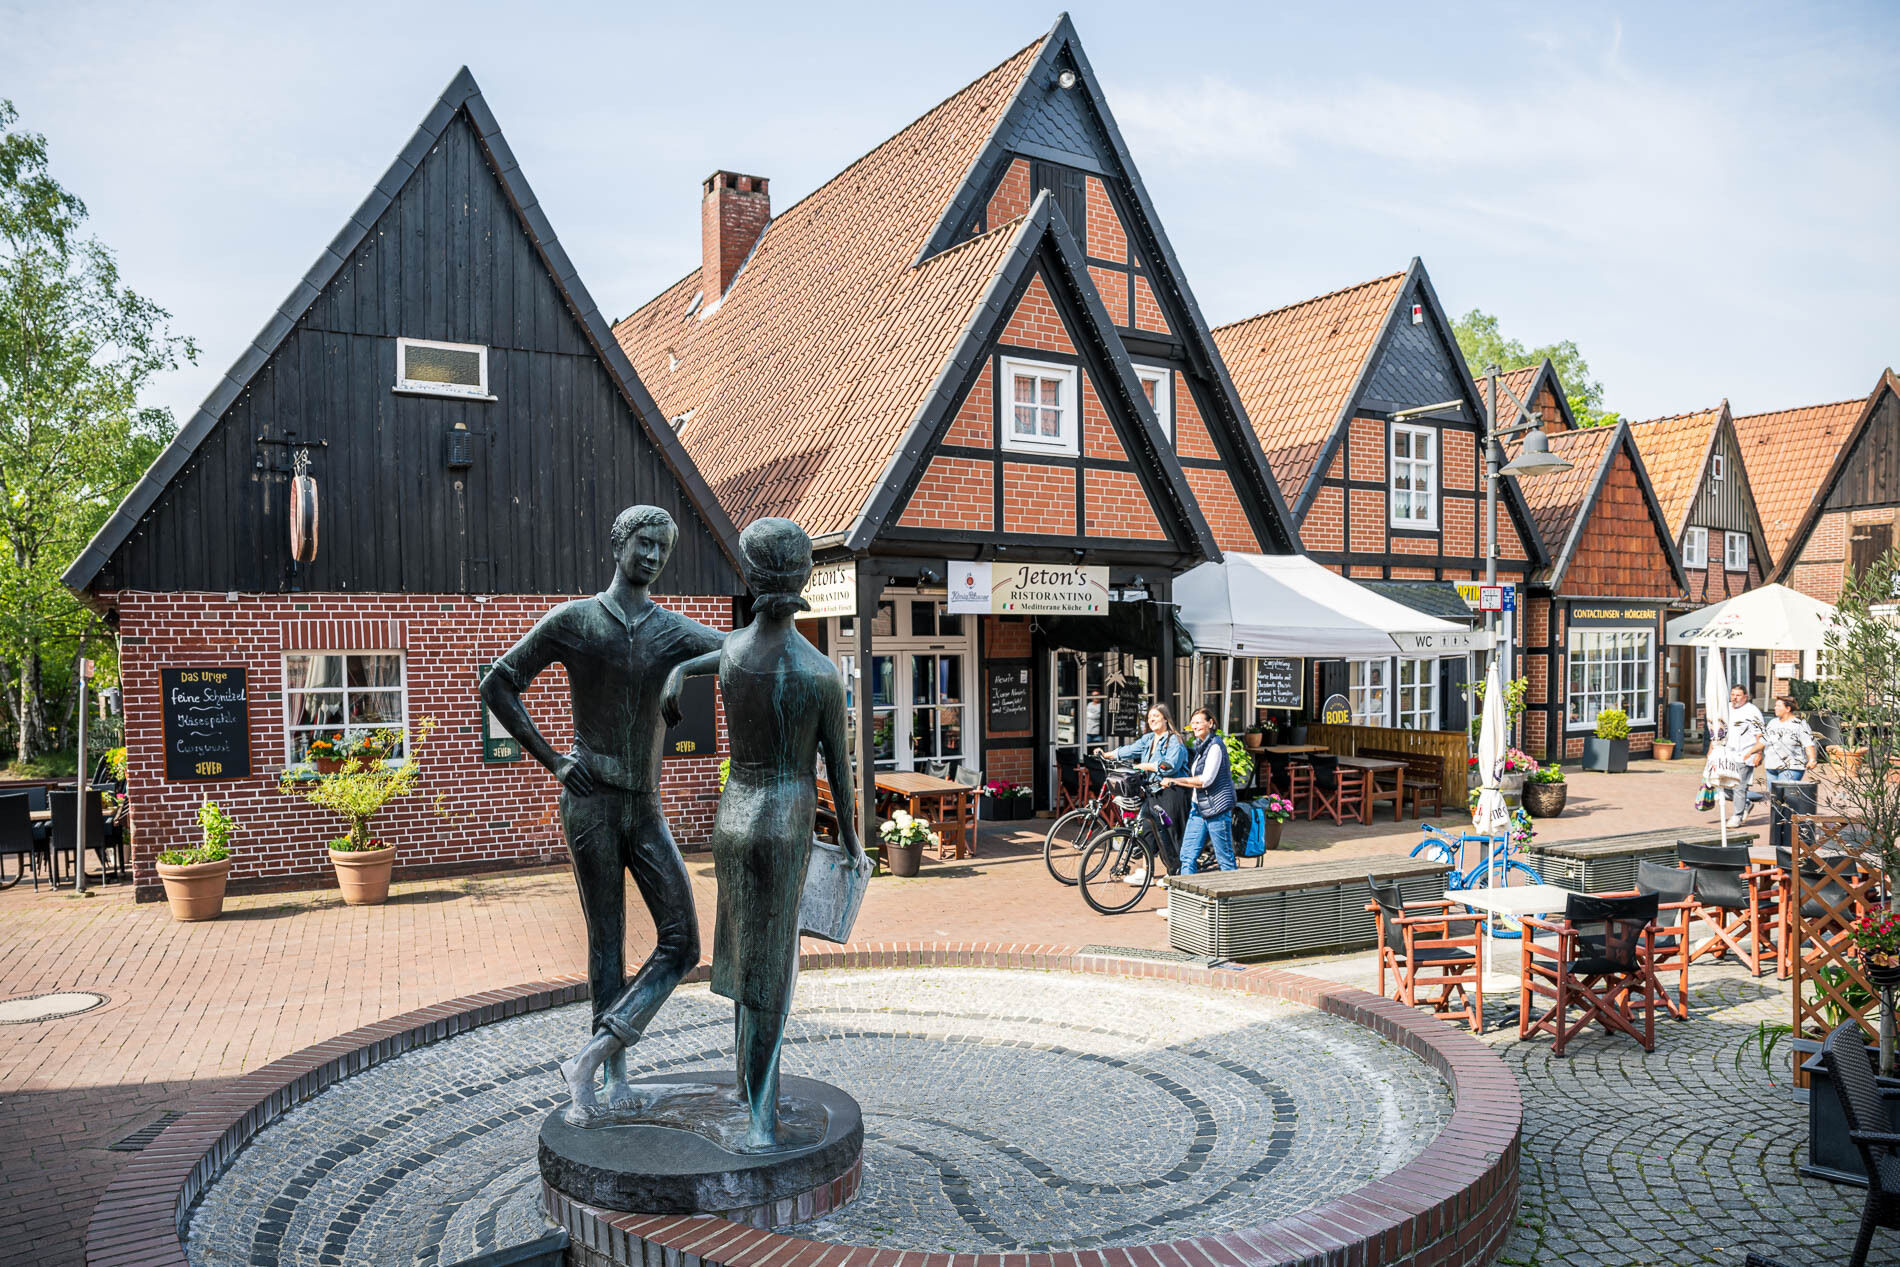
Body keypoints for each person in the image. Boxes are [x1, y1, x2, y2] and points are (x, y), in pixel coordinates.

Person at [481, 505, 724, 1125]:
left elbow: (742, 650)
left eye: (663, 548)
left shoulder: (670, 629)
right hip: (590, 803)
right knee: (606, 940)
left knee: (683, 940)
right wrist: (555, 761)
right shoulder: (576, 620)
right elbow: (498, 684)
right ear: (618, 544)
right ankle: (611, 1078)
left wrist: (685, 670)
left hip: (645, 806)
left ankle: (593, 1056)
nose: (653, 556)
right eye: (645, 543)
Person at [661, 517, 864, 1152]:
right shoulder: (819, 672)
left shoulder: (731, 653)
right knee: (774, 966)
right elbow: (840, 772)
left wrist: (676, 674)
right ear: (804, 578)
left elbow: (708, 655)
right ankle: (761, 1120)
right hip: (784, 821)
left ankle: (747, 1089)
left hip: (733, 816)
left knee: (743, 954)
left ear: (751, 576)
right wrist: (853, 841)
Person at [1096, 703, 1189, 886]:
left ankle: (1174, 874)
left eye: (1156, 716)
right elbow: (1130, 750)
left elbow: (1171, 766)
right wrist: (1107, 755)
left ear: (1165, 718)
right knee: (1145, 831)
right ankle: (1146, 871)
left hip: (1171, 792)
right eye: (1149, 717)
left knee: (1169, 833)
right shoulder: (1149, 739)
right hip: (1152, 791)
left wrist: (1145, 766)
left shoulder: (1174, 741)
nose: (1151, 720)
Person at [1164, 707, 1237, 875]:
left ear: (1210, 723)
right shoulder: (1201, 746)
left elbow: (1205, 780)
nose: (1194, 726)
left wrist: (1175, 781)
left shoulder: (1215, 746)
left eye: (1198, 722)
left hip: (1217, 809)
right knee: (1187, 856)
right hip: (1198, 808)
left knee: (1225, 860)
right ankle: (1188, 892)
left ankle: (1233, 891)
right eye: (1192, 723)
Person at [1715, 683, 1766, 827]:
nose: (1734, 698)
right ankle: (1746, 803)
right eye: (1732, 694)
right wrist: (1712, 749)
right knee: (1722, 786)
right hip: (1727, 754)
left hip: (1745, 754)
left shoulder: (1752, 711)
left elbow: (1760, 735)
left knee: (1739, 786)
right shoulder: (1726, 708)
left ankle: (1737, 816)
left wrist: (1759, 754)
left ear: (1745, 696)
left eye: (1738, 695)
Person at [1763, 694, 1819, 785]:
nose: (1775, 708)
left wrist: (1812, 759)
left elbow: (1808, 744)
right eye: (1775, 705)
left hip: (1792, 766)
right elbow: (1763, 741)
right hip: (1771, 766)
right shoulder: (1772, 723)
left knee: (1784, 792)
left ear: (1788, 709)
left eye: (1778, 706)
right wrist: (1751, 753)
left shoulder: (1799, 724)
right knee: (1774, 794)